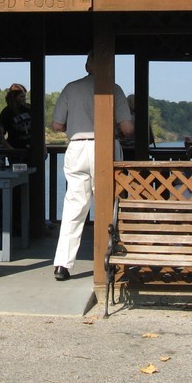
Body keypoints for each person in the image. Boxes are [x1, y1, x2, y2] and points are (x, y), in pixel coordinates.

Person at [51, 53, 133, 281]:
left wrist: (75, 122)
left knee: (73, 207)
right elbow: (127, 129)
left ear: (87, 66)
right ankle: (109, 260)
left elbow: (56, 124)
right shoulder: (114, 89)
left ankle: (62, 264)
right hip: (105, 147)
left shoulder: (71, 88)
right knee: (108, 202)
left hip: (77, 147)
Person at [0, 83, 32, 150]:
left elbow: (39, 129)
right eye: (22, 96)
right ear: (14, 97)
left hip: (32, 148)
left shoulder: (29, 108)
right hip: (16, 148)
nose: (24, 99)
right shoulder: (6, 112)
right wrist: (11, 150)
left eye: (25, 96)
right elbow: (0, 134)